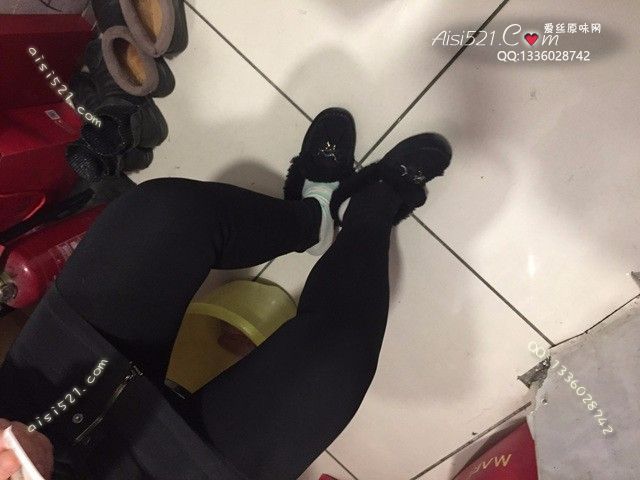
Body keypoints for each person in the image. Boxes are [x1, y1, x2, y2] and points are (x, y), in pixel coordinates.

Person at [0, 108, 451, 480]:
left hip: (34, 396)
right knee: (337, 360)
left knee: (164, 218)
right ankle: (372, 211)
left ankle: (314, 215)